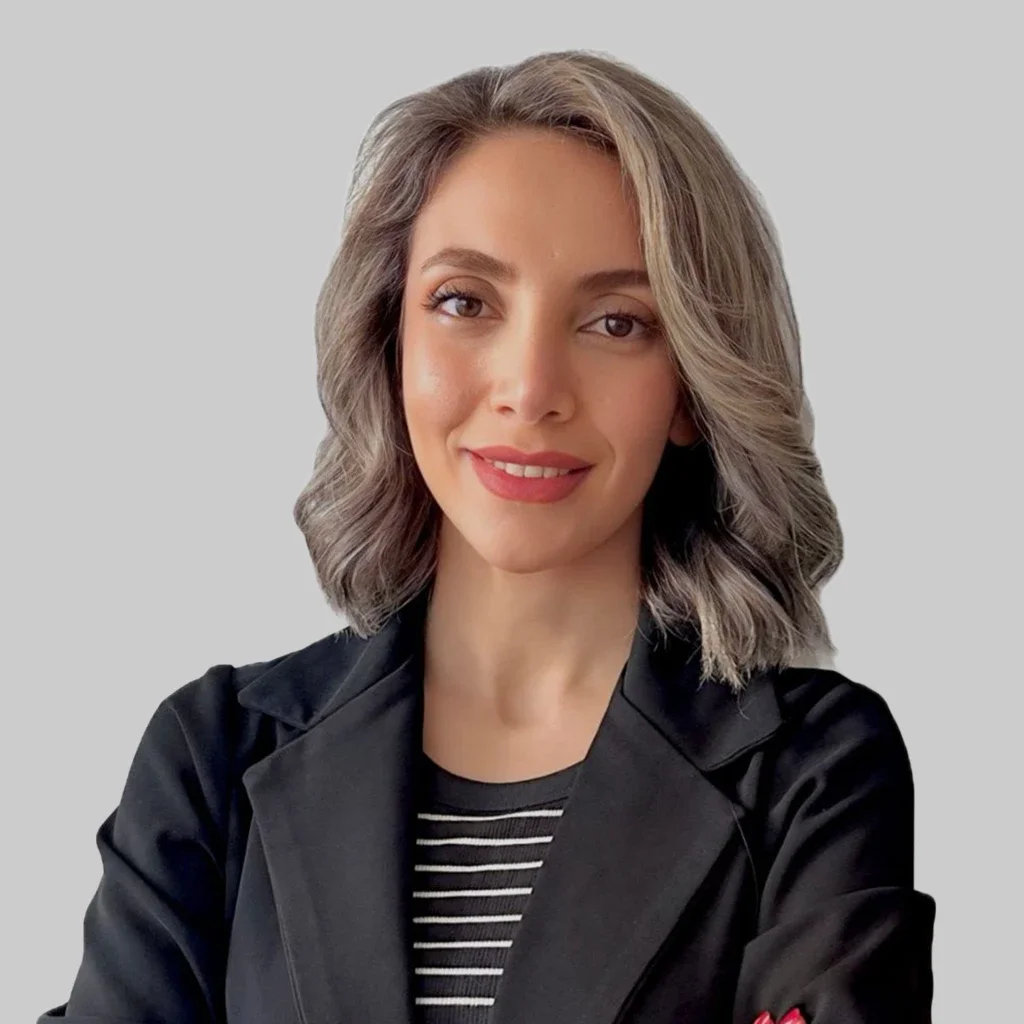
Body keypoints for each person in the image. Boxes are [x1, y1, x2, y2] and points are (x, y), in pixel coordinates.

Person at [37, 49, 936, 1024]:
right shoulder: (210, 757)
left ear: (691, 386)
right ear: (390, 344)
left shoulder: (811, 768)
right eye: (464, 303)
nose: (529, 387)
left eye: (616, 322)